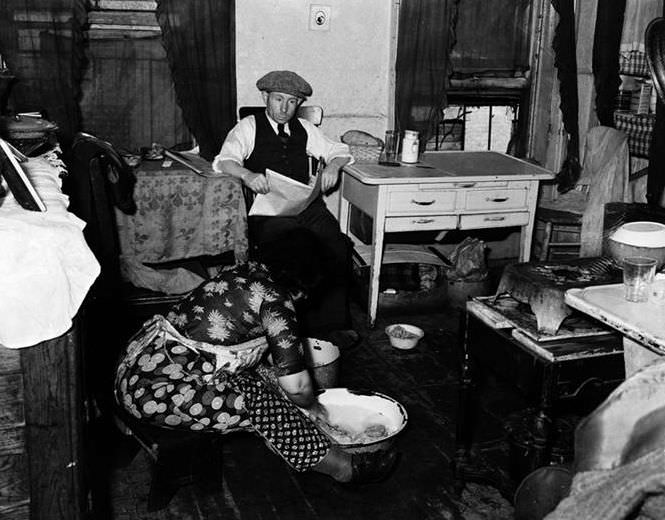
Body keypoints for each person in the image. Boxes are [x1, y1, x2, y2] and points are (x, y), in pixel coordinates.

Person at [114, 230, 398, 485]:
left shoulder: (242, 274)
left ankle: (304, 443)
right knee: (264, 404)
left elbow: (263, 358)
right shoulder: (276, 300)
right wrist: (313, 407)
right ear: (305, 283)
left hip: (140, 370)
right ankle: (344, 468)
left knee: (265, 380)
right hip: (157, 393)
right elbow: (297, 386)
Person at [212, 70, 358, 349]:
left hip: (306, 206)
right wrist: (246, 175)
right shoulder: (249, 126)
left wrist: (333, 166)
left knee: (336, 244)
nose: (284, 108)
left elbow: (339, 150)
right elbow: (224, 160)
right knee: (298, 247)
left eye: (292, 102)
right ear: (265, 97)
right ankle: (291, 328)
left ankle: (333, 325)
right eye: (278, 99)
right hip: (269, 211)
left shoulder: (305, 128)